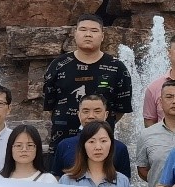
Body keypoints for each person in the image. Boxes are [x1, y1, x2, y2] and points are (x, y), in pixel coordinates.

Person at [42, 14, 132, 147]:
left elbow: (121, 108)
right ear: (75, 33)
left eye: (94, 31)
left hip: (101, 144)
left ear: (102, 36)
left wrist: (97, 124)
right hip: (62, 141)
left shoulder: (117, 67)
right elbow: (50, 105)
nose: (88, 34)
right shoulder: (59, 65)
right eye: (83, 29)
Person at [51, 94, 132, 179]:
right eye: (86, 111)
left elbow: (124, 183)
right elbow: (57, 177)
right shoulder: (64, 145)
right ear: (79, 114)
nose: (91, 116)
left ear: (106, 114)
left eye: (97, 111)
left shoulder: (119, 148)